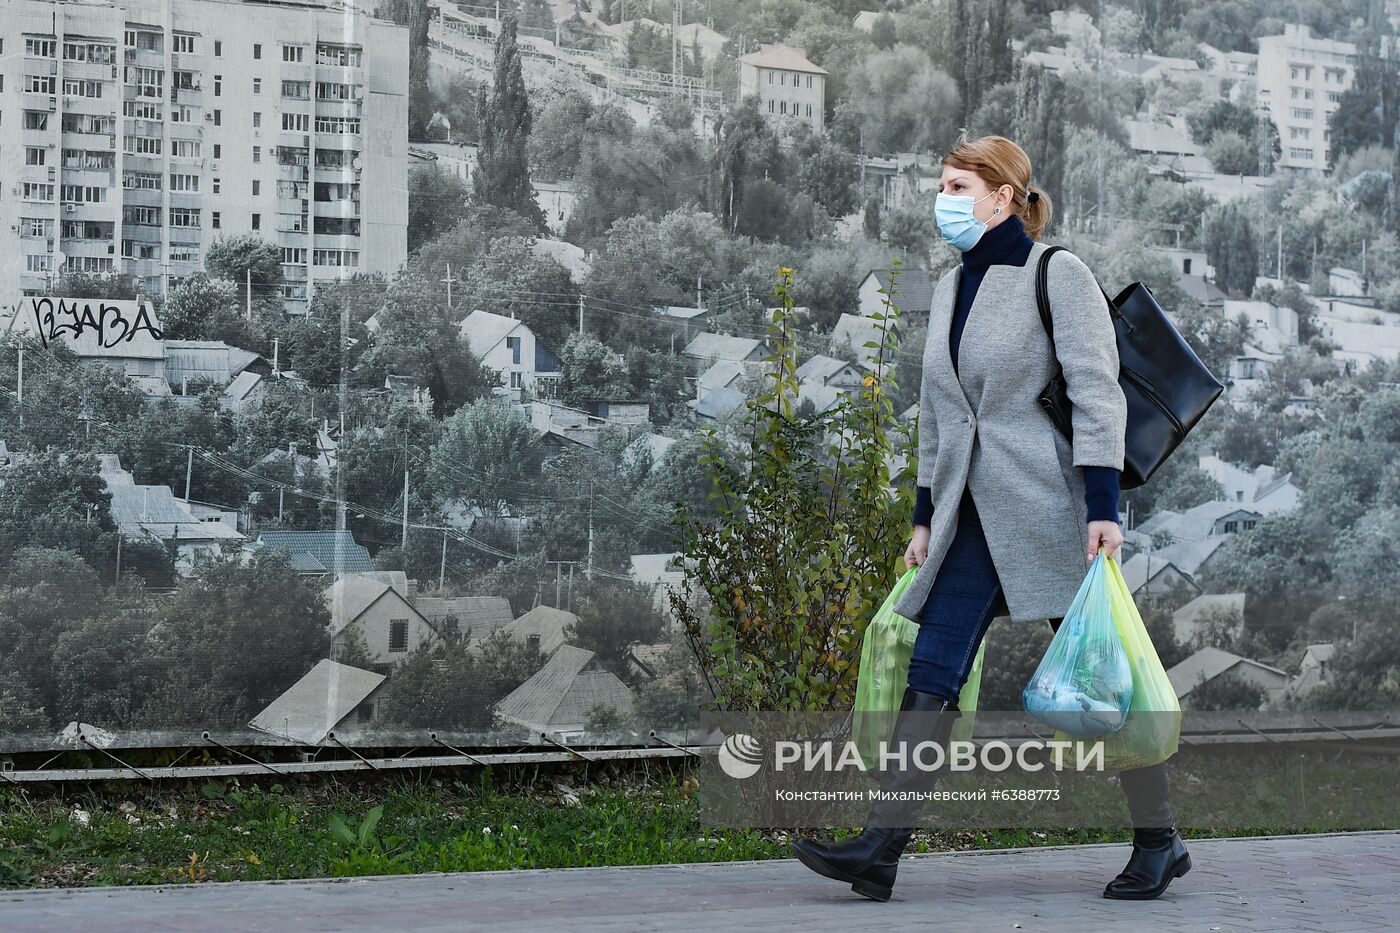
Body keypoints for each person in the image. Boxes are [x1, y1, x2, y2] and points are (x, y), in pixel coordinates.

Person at [791, 135, 1190, 903]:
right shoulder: (948, 287)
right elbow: (938, 414)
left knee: (1102, 676)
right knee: (932, 669)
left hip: (1051, 510)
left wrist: (1104, 507)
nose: (943, 200)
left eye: (956, 186)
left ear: (1003, 195)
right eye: (940, 186)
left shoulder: (1056, 273)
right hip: (969, 515)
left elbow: (1096, 392)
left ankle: (1160, 838)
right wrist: (923, 517)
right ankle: (880, 847)